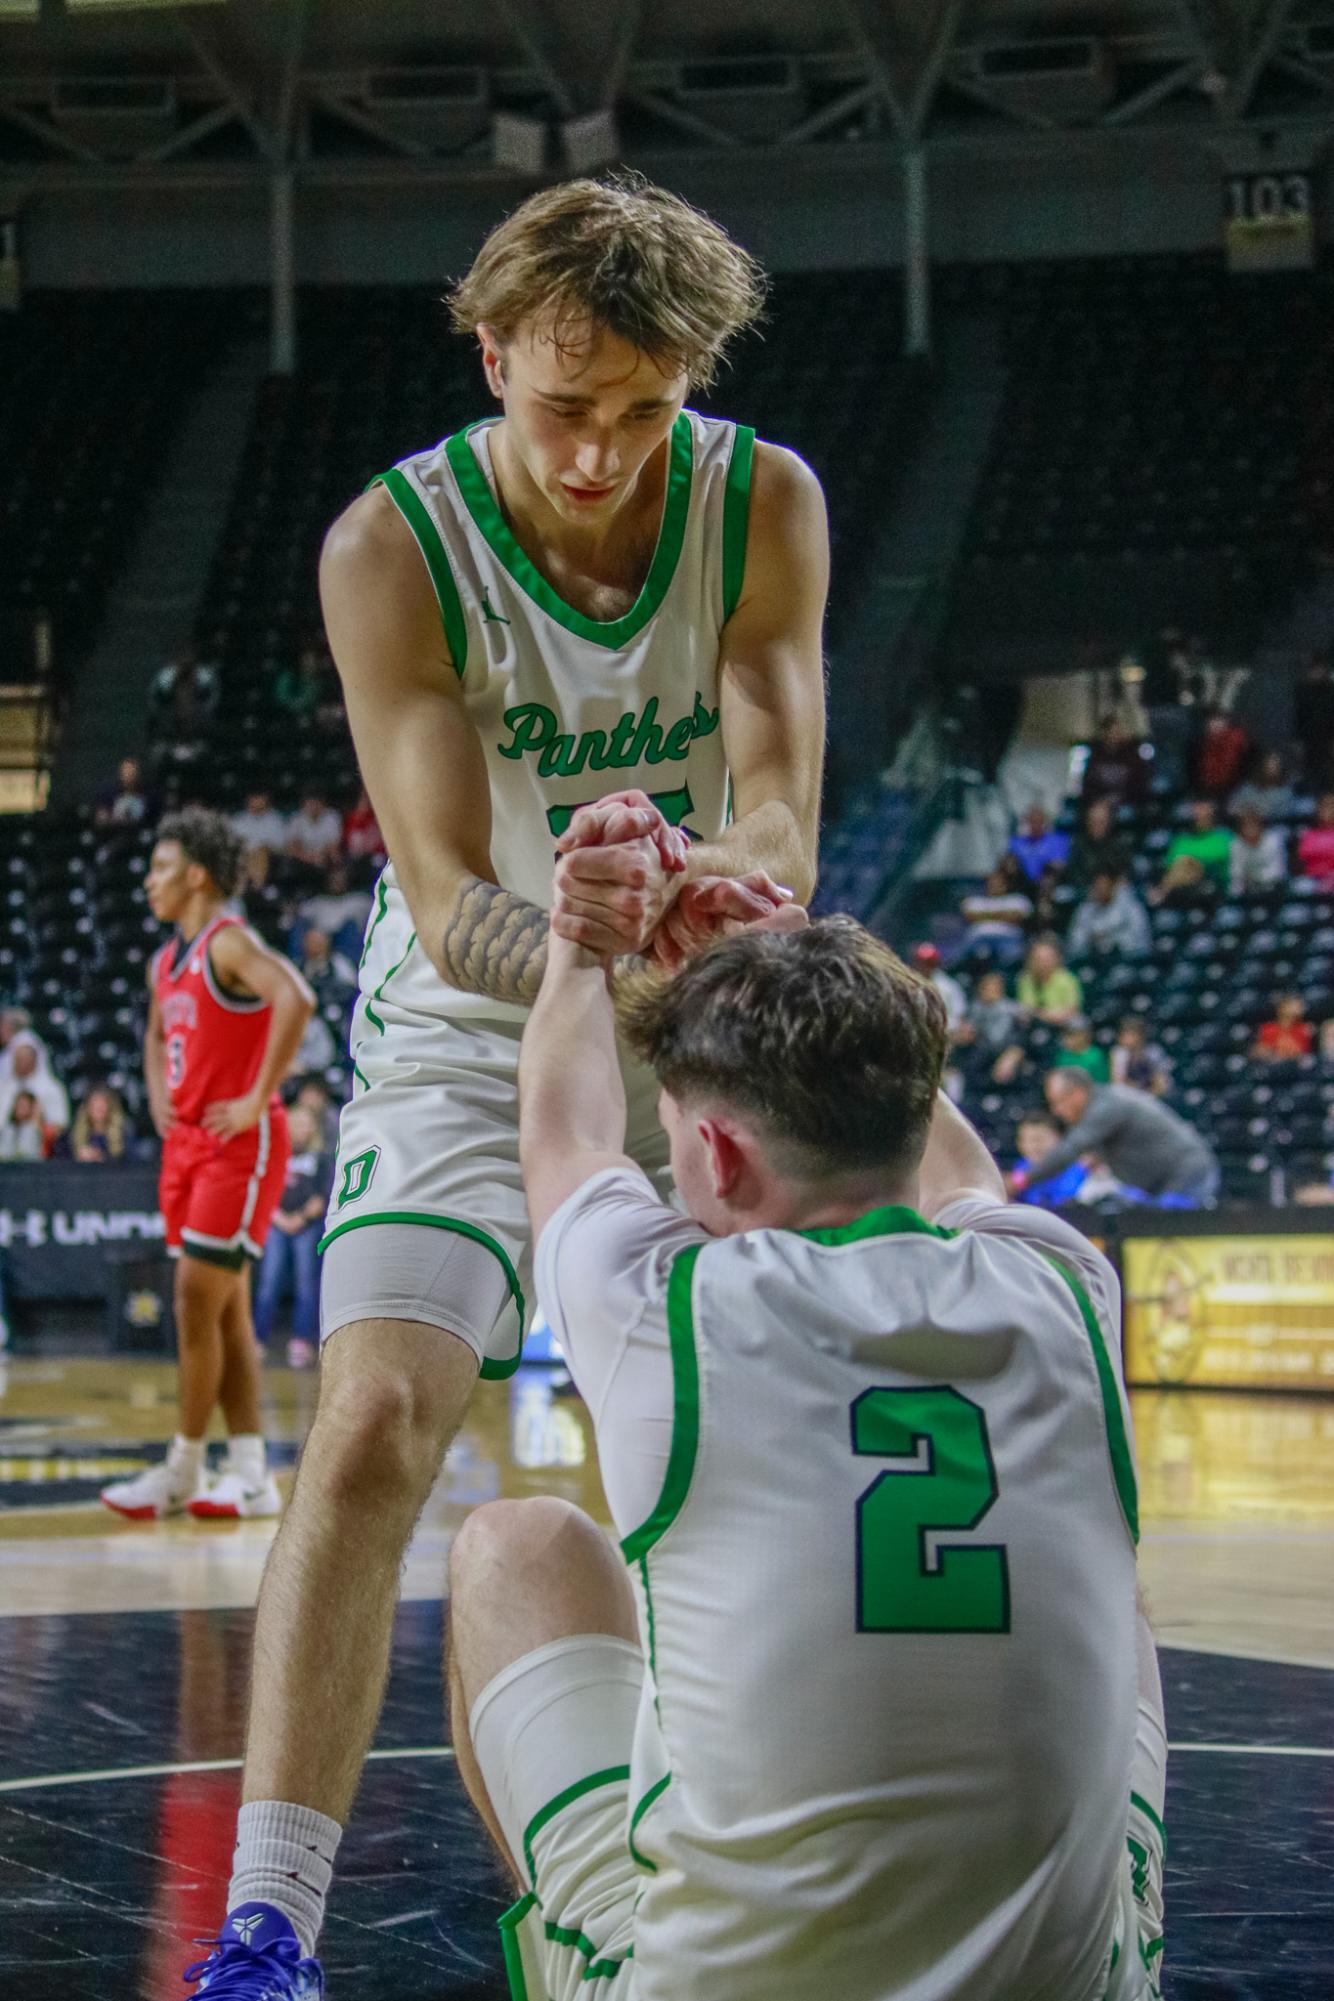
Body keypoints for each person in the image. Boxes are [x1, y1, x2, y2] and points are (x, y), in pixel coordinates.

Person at [190, 172, 827, 1995]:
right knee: (381, 1421)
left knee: (726, 1443)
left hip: (694, 988)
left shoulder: (759, 496)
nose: (603, 452)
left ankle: (692, 1880)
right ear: (489, 356)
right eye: (565, 405)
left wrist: (727, 891)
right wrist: (573, 940)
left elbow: (779, 778)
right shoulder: (386, 546)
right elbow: (440, 886)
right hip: (477, 1010)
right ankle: (264, 1925)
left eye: (645, 407)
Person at [441, 912, 1166, 2001]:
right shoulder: (1065, 1284)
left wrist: (579, 947)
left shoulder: (665, 1308)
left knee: (511, 1545)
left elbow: (563, 1133)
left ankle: (577, 1961)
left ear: (718, 1154)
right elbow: (955, 1165)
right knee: (1115, 1597)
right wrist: (789, 931)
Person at [101, 809, 313, 1525]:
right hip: (187, 1143)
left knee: (195, 1297)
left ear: (196, 875)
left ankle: (182, 1466)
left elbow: (296, 995)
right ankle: (252, 1474)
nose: (148, 881)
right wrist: (160, 1093)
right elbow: (158, 1031)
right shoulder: (166, 960)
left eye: (159, 868)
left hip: (239, 1143)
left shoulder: (229, 941)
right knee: (222, 1314)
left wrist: (258, 1097)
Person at [1021, 1068, 1219, 1206]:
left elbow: (1070, 1150)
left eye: (1058, 1102)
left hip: (1185, 1173)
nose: (1056, 1111)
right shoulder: (1102, 1106)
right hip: (1161, 1183)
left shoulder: (1106, 1106)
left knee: (1172, 1238)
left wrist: (1021, 1180)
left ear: (1077, 1093)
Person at [253, 1102, 332, 1369]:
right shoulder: (274, 1154)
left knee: (306, 1284)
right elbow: (263, 1187)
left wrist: (301, 1218)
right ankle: (256, 1339)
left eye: (308, 1125)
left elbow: (323, 1196)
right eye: (298, 1124)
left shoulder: (321, 1157)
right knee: (269, 1281)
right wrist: (278, 1217)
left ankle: (301, 1341)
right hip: (277, 1224)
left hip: (307, 1226)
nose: (304, 1129)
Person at [0, 1031, 69, 1140]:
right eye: (18, 1058)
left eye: (25, 1058)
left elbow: (59, 1125)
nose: (21, 1062)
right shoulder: (3, 1087)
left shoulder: (52, 1089)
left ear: (35, 1059)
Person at [1067, 872, 1151, 959]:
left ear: (1112, 887)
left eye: (1103, 887)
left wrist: (1108, 939)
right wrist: (1089, 939)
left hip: (1127, 958)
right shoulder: (1085, 909)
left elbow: (1140, 938)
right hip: (1094, 959)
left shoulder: (1131, 907)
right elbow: (1075, 941)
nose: (1100, 891)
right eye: (1097, 888)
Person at [297, 863, 372, 961]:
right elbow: (299, 915)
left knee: (350, 927)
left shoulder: (360, 900)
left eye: (340, 879)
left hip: (346, 947)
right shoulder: (317, 902)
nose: (337, 882)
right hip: (321, 943)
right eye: (334, 879)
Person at [958, 867, 1032, 963]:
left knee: (1012, 955)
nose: (995, 885)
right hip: (979, 938)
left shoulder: (1017, 900)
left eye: (999, 883)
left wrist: (983, 916)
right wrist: (1003, 915)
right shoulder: (974, 901)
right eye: (991, 882)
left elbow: (1016, 917)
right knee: (974, 953)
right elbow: (970, 916)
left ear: (1005, 884)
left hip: (1008, 938)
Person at [1158, 799, 1232, 894]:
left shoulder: (1224, 836)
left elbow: (1223, 862)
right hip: (1182, 891)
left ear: (1213, 812)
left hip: (1217, 888)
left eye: (1203, 810)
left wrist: (1194, 864)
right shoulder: (1181, 840)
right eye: (1196, 810)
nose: (1199, 815)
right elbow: (1172, 868)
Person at [1066, 796, 1132, 891]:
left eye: (1101, 822)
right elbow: (1072, 875)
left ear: (1109, 822)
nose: (1097, 826)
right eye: (1093, 822)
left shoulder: (1120, 845)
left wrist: (1111, 885)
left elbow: (1127, 874)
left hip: (1114, 895)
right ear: (1087, 822)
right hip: (1086, 895)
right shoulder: (1078, 845)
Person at [1081, 714, 1148, 805]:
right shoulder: (1095, 756)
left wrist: (1118, 799)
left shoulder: (1133, 756)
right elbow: (1088, 785)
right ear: (1104, 733)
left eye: (1119, 731)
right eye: (1112, 731)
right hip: (1100, 805)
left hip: (1127, 803)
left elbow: (1139, 786)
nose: (1116, 735)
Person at [1017, 937, 1083, 1025]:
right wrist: (1049, 1014)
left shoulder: (1067, 979)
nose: (1043, 963)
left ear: (1056, 959)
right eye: (1038, 958)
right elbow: (1027, 1009)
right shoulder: (1026, 980)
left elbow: (1072, 1010)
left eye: (1047, 958)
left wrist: (1041, 1013)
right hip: (1036, 1023)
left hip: (1064, 1023)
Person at [1293, 656, 1334, 790]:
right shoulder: (1302, 690)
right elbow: (1299, 716)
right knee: (1309, 767)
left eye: (1319, 670)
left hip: (1327, 738)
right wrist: (1297, 739)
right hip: (1308, 738)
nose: (1315, 673)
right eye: (1313, 670)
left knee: (1325, 767)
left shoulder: (1330, 690)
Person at [1228, 748, 1297, 825]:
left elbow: (1285, 815)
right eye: (1269, 765)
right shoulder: (1247, 789)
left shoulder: (1285, 792)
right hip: (1246, 827)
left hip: (1274, 829)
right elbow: (1232, 809)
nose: (1271, 769)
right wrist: (1248, 814)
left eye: (1275, 766)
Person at [1192, 708, 1249, 800]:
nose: (1213, 724)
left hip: (1225, 790)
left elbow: (1227, 767)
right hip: (1206, 787)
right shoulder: (1206, 741)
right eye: (1211, 721)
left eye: (1218, 720)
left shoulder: (1233, 740)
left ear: (1225, 722)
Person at [910, 941, 966, 1032]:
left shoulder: (947, 986)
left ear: (936, 964)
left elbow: (959, 1016)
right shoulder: (909, 983)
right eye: (921, 963)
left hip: (945, 1031)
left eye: (929, 964)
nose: (925, 968)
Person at [1007, 804, 1069, 885]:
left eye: (1039, 821)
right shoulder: (1016, 842)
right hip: (1022, 884)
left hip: (1050, 883)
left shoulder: (1057, 841)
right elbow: (1010, 864)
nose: (1035, 825)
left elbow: (1060, 864)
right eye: (1031, 821)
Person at [285, 791, 343, 878]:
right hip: (303, 859)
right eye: (309, 803)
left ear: (322, 804)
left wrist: (320, 856)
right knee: (290, 861)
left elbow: (333, 846)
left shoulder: (332, 817)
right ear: (304, 804)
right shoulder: (297, 819)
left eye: (316, 802)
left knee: (335, 858)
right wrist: (309, 858)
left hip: (324, 858)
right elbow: (292, 847)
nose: (313, 806)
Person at [1229, 809, 1286, 895]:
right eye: (1246, 826)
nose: (1250, 829)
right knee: (1234, 889)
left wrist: (1255, 877)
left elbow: (1278, 872)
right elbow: (1235, 872)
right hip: (1247, 889)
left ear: (1261, 826)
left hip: (1273, 888)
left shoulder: (1274, 841)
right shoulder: (1236, 844)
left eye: (1253, 825)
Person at [69, 1081, 128, 1162]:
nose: (98, 1110)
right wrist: (79, 1156)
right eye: (94, 1105)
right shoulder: (74, 1135)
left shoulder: (124, 1134)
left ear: (110, 1107)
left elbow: (131, 1162)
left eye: (102, 1106)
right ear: (87, 1108)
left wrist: (101, 1157)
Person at [1111, 1018, 1171, 1096]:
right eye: (1123, 1035)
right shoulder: (1118, 1053)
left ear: (1141, 1036)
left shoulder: (1154, 1052)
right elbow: (1118, 1084)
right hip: (1129, 1097)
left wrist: (1147, 1094)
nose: (1124, 1039)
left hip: (1152, 1097)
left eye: (1130, 1035)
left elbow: (1161, 1085)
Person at [95, 755, 154, 829]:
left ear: (138, 774)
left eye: (133, 772)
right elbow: (101, 819)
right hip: (114, 833)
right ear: (120, 773)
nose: (130, 775)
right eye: (127, 771)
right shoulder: (108, 795)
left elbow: (151, 819)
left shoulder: (149, 796)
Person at [1253, 992, 1313, 1063]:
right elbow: (1259, 1052)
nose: (1299, 1008)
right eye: (1292, 1005)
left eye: (1300, 1005)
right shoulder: (1267, 1029)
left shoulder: (1305, 1029)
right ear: (1282, 1008)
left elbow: (1305, 1054)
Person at [1055, 1016, 1111, 1083]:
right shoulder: (1062, 1055)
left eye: (1072, 1034)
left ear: (1086, 1035)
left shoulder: (1096, 1055)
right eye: (1065, 1034)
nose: (1067, 1038)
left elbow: (1102, 1082)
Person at [1296, 792, 1334, 886]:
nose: (1325, 809)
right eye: (1322, 805)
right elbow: (1301, 859)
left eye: (1330, 806)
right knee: (1300, 886)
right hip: (1311, 878)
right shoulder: (1307, 834)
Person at [0, 1089, 49, 1161]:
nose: (20, 1109)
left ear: (32, 1108)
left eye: (24, 1106)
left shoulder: (35, 1128)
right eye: (18, 1105)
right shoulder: (8, 1129)